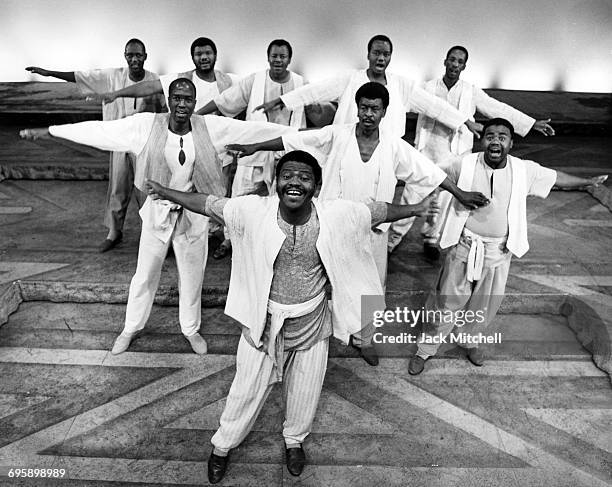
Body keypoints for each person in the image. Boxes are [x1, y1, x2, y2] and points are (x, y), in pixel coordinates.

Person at [143, 149, 441, 483]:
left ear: (317, 184)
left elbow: (378, 211)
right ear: (276, 182)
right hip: (263, 321)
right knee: (245, 389)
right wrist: (166, 192)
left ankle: (294, 440)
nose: (294, 183)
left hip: (312, 322)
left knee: (306, 390)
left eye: (304, 177)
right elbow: (207, 202)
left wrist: (414, 208)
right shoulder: (252, 211)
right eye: (287, 176)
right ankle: (222, 446)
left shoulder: (336, 214)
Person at [20, 78, 293, 355]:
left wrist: (301, 135)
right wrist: (51, 131)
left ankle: (191, 329)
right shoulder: (146, 125)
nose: (181, 104)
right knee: (145, 275)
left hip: (193, 215)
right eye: (176, 98)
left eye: (187, 99)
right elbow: (101, 131)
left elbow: (252, 130)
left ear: (194, 103)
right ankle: (131, 327)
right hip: (157, 215)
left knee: (192, 275)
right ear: (168, 100)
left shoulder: (209, 127)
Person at [227, 82, 489, 286]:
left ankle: (364, 337)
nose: (368, 114)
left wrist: (460, 193)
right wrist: (256, 145)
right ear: (357, 108)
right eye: (364, 107)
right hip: (333, 225)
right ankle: (332, 330)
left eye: (374, 109)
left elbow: (430, 172)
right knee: (328, 278)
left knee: (373, 283)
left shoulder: (394, 145)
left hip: (373, 228)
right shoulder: (337, 135)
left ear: (384, 112)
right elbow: (296, 139)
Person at [407, 118, 607, 375]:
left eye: (502, 136)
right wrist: (452, 194)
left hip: (499, 252)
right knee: (447, 302)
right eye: (490, 135)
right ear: (482, 140)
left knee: (485, 304)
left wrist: (586, 182)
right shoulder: (464, 163)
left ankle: (469, 340)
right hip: (464, 246)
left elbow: (556, 178)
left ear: (511, 143)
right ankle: (425, 349)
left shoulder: (524, 169)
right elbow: (433, 173)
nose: (495, 141)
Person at [388, 45, 557, 259]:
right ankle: (392, 240)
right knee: (411, 196)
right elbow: (416, 105)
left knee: (444, 201)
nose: (455, 64)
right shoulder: (426, 88)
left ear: (464, 66)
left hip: (455, 156)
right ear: (445, 61)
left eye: (459, 61)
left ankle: (431, 239)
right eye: (452, 59)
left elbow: (498, 109)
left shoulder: (470, 91)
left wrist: (531, 124)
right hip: (427, 152)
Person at [25, 38, 165, 252]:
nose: (134, 59)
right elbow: (81, 76)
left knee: (145, 189)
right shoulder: (112, 77)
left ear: (146, 56)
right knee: (118, 187)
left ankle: (153, 234)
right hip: (118, 142)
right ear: (125, 57)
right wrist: (50, 73)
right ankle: (114, 232)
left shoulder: (154, 80)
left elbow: (165, 112)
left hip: (143, 144)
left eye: (138, 55)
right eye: (130, 55)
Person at [196, 39, 308, 259]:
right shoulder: (255, 80)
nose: (278, 60)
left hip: (286, 156)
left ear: (289, 59)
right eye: (274, 56)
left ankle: (277, 246)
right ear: (268, 58)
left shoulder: (300, 83)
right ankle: (230, 240)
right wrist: (196, 115)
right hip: (253, 154)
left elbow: (316, 106)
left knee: (282, 204)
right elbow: (225, 101)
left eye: (282, 56)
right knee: (238, 200)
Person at [254, 35, 480, 140]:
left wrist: (464, 121)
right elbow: (316, 90)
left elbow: (434, 105)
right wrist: (282, 101)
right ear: (368, 55)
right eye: (377, 53)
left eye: (386, 54)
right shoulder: (350, 78)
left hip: (385, 148)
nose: (381, 58)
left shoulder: (402, 85)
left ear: (390, 57)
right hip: (348, 142)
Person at [93, 37, 235, 113]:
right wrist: (116, 94)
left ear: (215, 56)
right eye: (198, 54)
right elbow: (148, 87)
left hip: (221, 150)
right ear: (192, 58)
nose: (203, 57)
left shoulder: (228, 82)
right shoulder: (182, 80)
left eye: (208, 53)